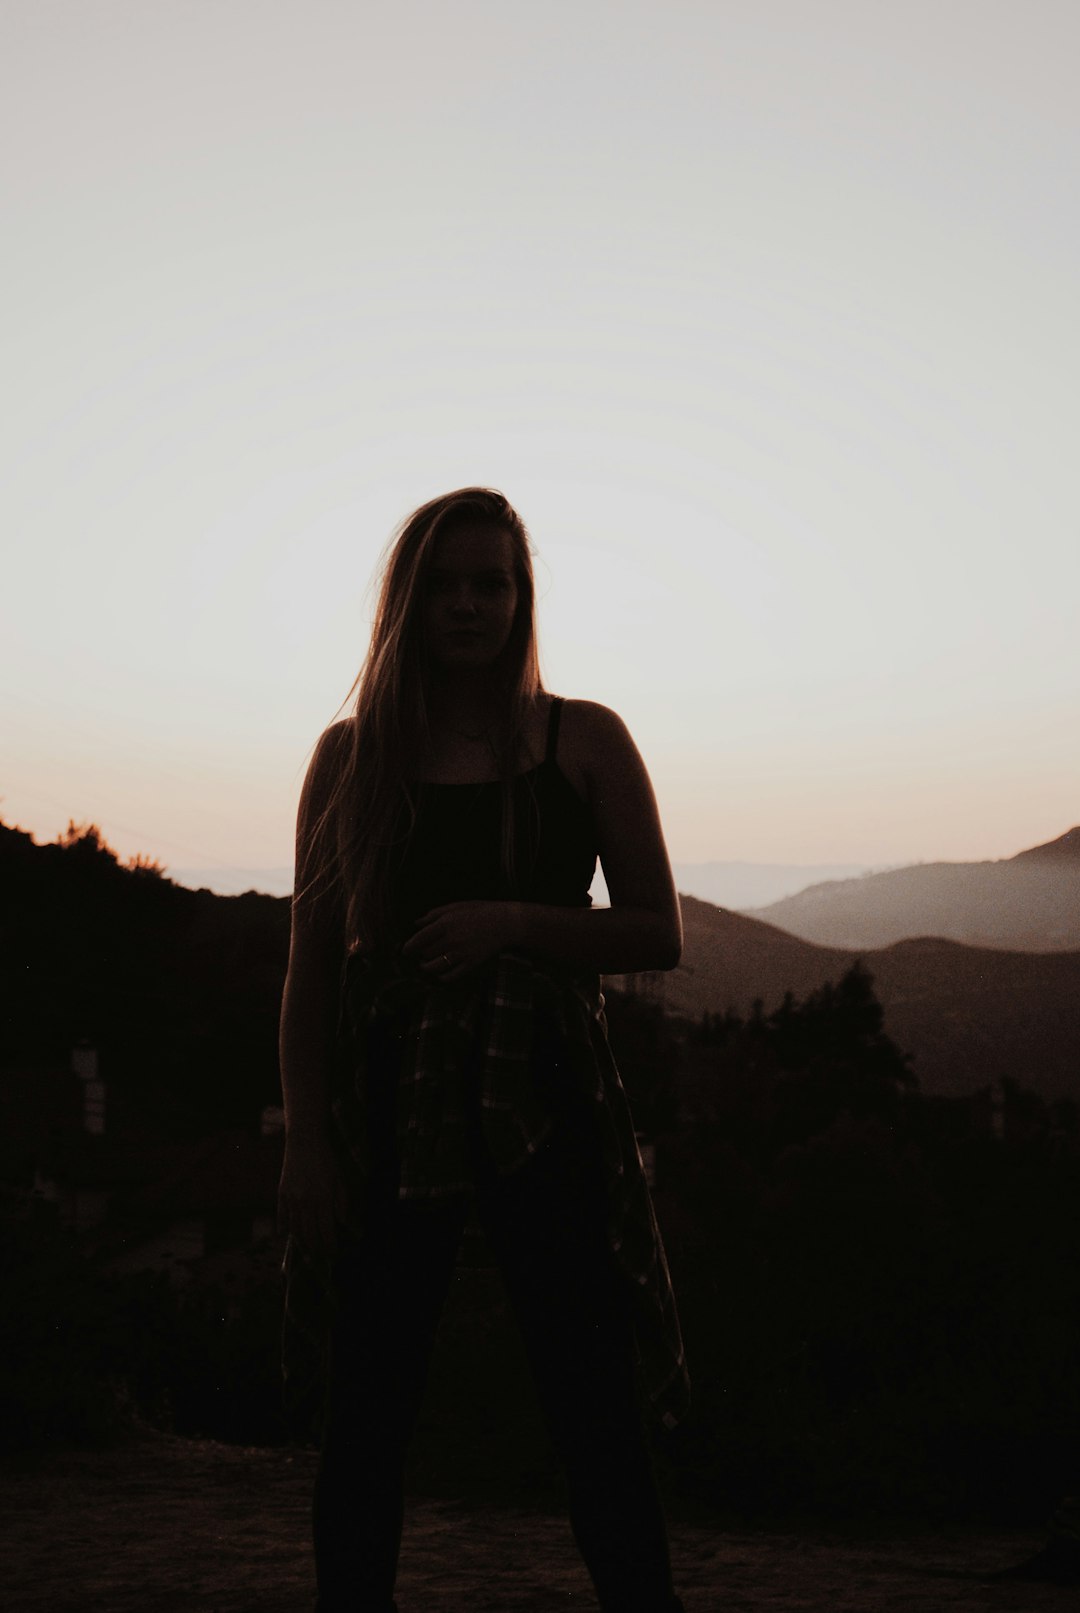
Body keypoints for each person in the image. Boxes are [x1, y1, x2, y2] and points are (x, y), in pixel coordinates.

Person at [277, 487, 689, 1613]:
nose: (469, 604)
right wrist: (306, 1138)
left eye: (492, 582)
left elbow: (658, 931)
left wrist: (511, 920)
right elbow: (311, 962)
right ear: (408, 599)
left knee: (588, 1390)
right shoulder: (350, 755)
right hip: (389, 1095)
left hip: (543, 1093)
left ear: (522, 595)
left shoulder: (583, 737)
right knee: (367, 1402)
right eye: (446, 583)